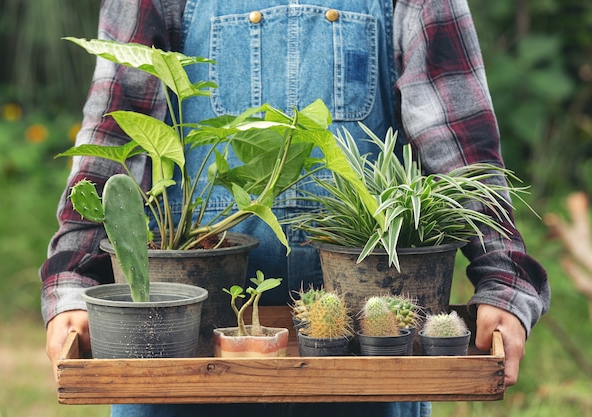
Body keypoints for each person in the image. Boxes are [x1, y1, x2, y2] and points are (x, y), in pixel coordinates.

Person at [41, 0, 550, 416]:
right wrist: (73, 283)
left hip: (366, 355)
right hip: (180, 353)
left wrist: (504, 282)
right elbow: (113, 137)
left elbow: (460, 143)